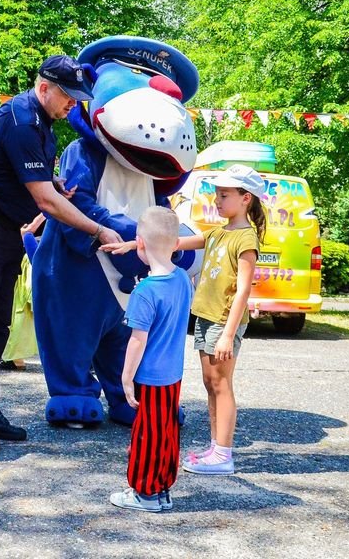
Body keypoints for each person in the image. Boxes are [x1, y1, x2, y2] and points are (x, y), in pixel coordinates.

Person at [0, 54, 123, 452]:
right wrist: (98, 228)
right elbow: (46, 203)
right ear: (43, 88)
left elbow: (37, 181)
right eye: (68, 97)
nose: (74, 104)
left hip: (5, 228)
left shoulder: (44, 124)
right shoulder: (21, 122)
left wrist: (54, 181)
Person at [103, 163, 265, 477]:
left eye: (225, 195)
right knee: (210, 383)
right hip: (206, 316)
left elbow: (244, 289)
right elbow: (171, 243)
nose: (218, 201)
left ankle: (223, 452)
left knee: (221, 384)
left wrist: (228, 334)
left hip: (223, 320)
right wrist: (132, 245)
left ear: (246, 199)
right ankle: (215, 447)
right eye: (217, 195)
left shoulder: (245, 238)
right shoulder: (220, 232)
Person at [107, 207, 193, 513]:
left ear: (139, 243)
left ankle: (144, 492)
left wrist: (126, 378)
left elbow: (137, 340)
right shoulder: (183, 279)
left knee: (146, 435)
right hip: (174, 374)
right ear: (175, 243)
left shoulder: (144, 291)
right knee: (166, 432)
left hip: (151, 376)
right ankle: (162, 488)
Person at [0, 213, 46, 371]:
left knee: (19, 312)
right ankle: (13, 357)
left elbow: (28, 230)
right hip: (29, 253)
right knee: (19, 314)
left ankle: (13, 357)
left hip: (29, 254)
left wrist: (30, 228)